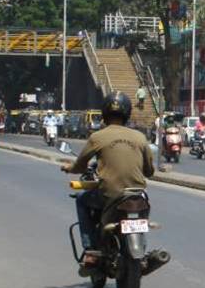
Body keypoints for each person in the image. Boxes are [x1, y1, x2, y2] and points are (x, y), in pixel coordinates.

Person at [61, 92, 155, 255]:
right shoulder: (140, 137)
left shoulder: (97, 137)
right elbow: (149, 171)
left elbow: (80, 166)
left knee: (82, 199)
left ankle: (90, 248)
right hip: (138, 196)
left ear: (104, 113)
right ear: (127, 113)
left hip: (109, 196)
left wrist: (70, 168)